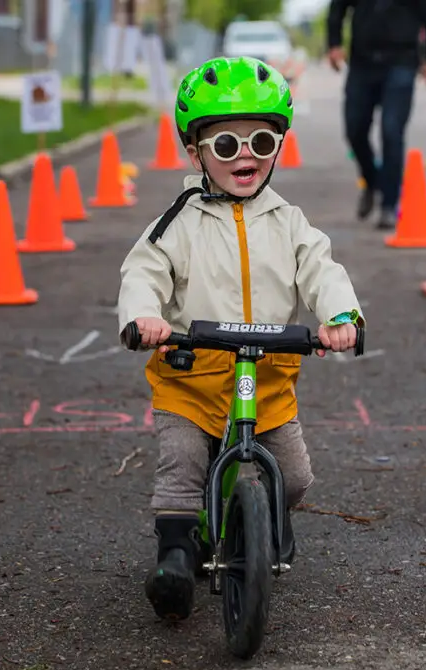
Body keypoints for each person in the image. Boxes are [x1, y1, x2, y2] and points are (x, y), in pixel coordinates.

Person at [117, 56, 365, 621]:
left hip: (267, 379)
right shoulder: (179, 223)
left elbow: (322, 272)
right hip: (193, 377)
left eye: (261, 140)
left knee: (296, 477)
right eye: (225, 146)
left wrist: (342, 316)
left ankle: (264, 521)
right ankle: (177, 558)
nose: (245, 155)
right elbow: (144, 272)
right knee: (182, 462)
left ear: (279, 145)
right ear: (196, 152)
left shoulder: (290, 223)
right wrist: (143, 317)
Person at [326, 0, 426, 230]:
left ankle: (389, 205)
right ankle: (372, 182)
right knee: (354, 129)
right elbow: (338, 7)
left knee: (392, 131)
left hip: (402, 62)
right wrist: (334, 43)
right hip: (362, 63)